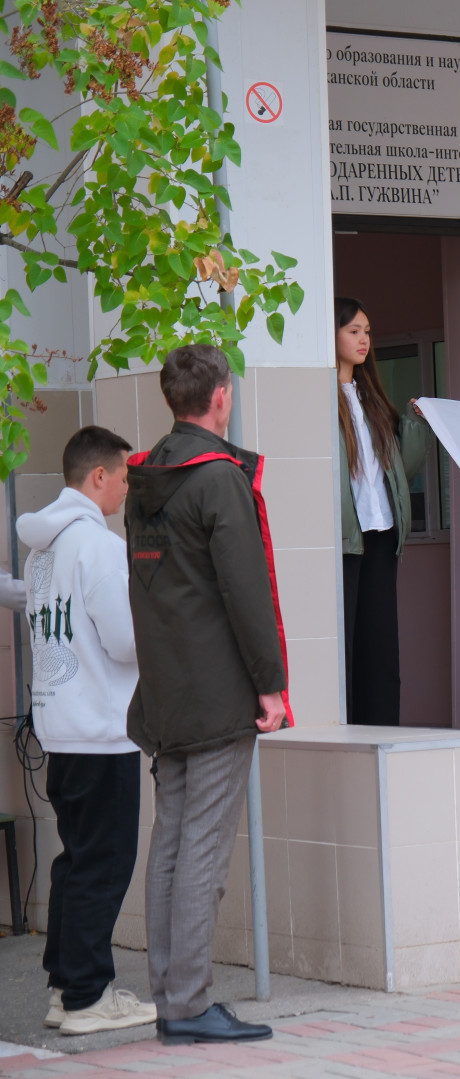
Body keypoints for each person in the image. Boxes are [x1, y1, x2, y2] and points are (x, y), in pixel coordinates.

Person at [125, 344, 290, 1045]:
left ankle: (172, 996)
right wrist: (271, 685)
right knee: (201, 850)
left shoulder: (145, 478)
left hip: (165, 689)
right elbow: (246, 592)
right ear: (221, 396)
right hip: (218, 692)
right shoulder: (218, 478)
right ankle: (189, 1002)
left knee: (170, 843)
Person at [17, 426, 156, 1035]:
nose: (127, 488)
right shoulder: (98, 547)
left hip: (61, 728)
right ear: (99, 476)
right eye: (124, 476)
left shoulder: (42, 548)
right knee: (104, 863)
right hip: (102, 729)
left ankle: (66, 989)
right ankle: (88, 998)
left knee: (75, 863)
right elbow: (125, 642)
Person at [335, 297, 430, 726]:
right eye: (353, 331)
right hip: (344, 539)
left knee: (380, 645)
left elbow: (395, 475)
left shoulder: (370, 397)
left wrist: (415, 425)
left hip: (382, 533)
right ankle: (347, 730)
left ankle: (381, 730)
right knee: (345, 643)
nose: (364, 340)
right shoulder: (321, 398)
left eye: (367, 332)